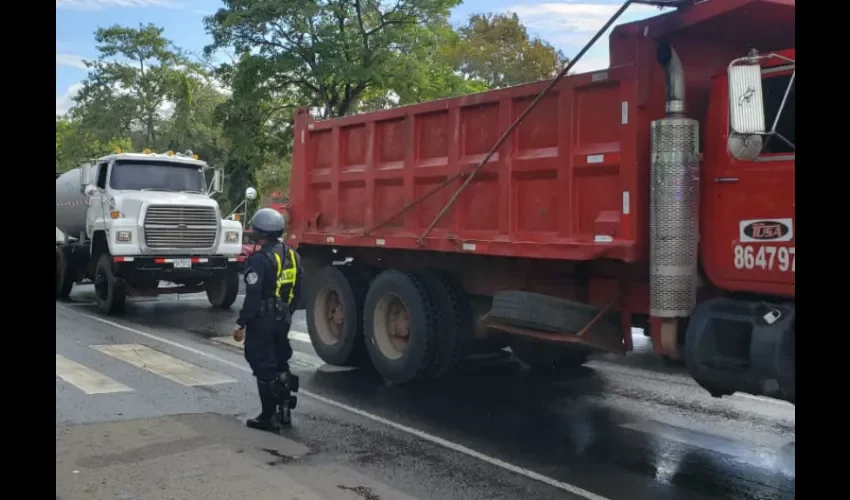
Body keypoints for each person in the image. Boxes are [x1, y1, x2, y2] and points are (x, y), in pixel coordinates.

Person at [232, 208, 303, 430]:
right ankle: (284, 411)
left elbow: (253, 297)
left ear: (258, 232)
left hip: (262, 321)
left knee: (262, 364)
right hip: (283, 318)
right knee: (280, 360)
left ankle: (268, 417)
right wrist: (287, 313)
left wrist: (241, 323)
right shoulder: (293, 255)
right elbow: (298, 291)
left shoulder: (259, 259)